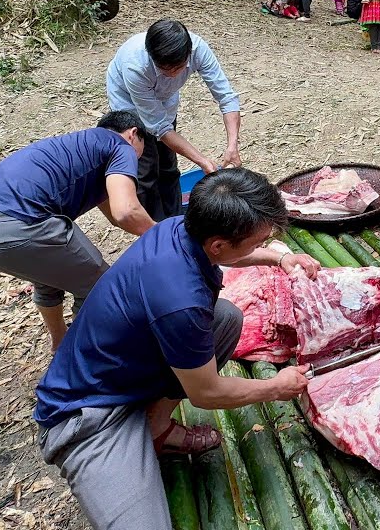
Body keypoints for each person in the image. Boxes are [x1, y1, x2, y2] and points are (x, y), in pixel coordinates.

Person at [34, 167, 318, 530]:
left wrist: (276, 258)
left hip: (128, 372)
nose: (262, 246)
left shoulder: (178, 227)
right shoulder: (180, 301)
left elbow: (226, 255)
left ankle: (156, 427)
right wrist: (276, 387)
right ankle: (123, 444)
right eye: (259, 241)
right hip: (87, 414)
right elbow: (208, 394)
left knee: (225, 317)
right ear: (218, 243)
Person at [0, 111, 156, 351]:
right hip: (16, 224)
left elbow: (116, 217)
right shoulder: (121, 147)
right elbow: (126, 211)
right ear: (134, 134)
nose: (137, 162)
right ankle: (83, 360)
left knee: (50, 273)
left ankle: (60, 344)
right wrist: (167, 235)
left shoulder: (82, 147)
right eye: (141, 151)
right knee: (100, 285)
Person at [105, 20, 242, 221]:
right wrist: (202, 160)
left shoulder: (198, 49)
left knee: (168, 165)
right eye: (165, 69)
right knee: (146, 170)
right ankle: (156, 228)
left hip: (164, 98)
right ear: (152, 56)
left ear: (188, 52)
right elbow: (159, 127)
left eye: (178, 68)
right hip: (129, 103)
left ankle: (175, 218)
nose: (173, 74)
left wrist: (232, 145)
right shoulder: (135, 65)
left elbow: (226, 97)